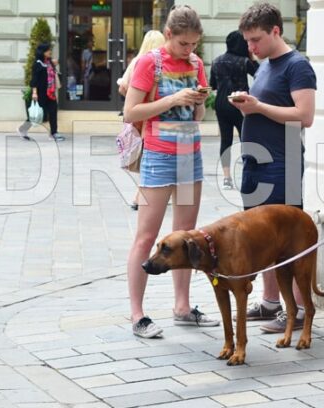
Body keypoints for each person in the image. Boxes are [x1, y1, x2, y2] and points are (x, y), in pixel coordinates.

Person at [123, 4, 219, 338]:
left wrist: (197, 104)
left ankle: (182, 306)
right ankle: (137, 314)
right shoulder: (151, 63)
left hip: (190, 157)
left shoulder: (195, 64)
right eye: (183, 44)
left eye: (194, 44)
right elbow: (130, 112)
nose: (189, 50)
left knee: (186, 235)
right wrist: (173, 98)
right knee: (147, 237)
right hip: (159, 158)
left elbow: (198, 116)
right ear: (168, 35)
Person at [229, 3, 317, 333]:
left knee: (288, 240)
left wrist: (257, 106)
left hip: (284, 163)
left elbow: (305, 115)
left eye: (255, 39)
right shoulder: (265, 64)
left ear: (275, 31)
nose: (250, 47)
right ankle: (270, 303)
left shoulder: (297, 66)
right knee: (261, 238)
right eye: (247, 40)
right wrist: (246, 105)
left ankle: (294, 311)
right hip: (256, 161)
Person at [117, 30, 166, 211]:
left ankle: (144, 195)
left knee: (147, 157)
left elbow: (122, 86)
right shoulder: (157, 63)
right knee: (151, 157)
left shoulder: (137, 61)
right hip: (151, 118)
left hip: (138, 118)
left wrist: (134, 97)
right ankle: (140, 196)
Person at [209, 31, 259, 189]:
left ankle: (226, 178)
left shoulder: (216, 61)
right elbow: (261, 74)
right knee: (246, 139)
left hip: (221, 105)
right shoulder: (244, 61)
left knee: (226, 140)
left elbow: (213, 85)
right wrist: (253, 58)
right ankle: (247, 171)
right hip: (240, 104)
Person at [17, 43, 65, 142]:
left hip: (50, 92)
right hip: (40, 93)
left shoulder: (49, 62)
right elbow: (34, 80)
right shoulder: (37, 64)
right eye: (48, 50)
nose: (50, 52)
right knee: (37, 115)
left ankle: (54, 133)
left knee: (53, 112)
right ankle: (23, 129)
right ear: (42, 52)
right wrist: (34, 93)